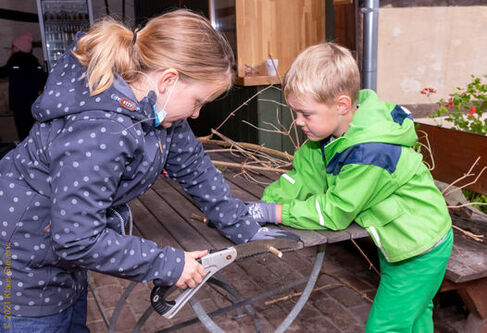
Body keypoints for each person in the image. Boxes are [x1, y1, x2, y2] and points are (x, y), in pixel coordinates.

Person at [0, 10, 295, 332]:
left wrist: (242, 226)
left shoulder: (159, 110)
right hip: (23, 261)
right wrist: (166, 264)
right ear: (168, 80)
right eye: (197, 101)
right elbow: (77, 238)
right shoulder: (101, 131)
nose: (196, 114)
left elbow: (195, 168)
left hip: (58, 254)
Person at [246, 42, 453, 332]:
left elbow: (335, 213)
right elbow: (302, 177)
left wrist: (275, 213)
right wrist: (262, 206)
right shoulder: (330, 138)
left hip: (420, 247)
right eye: (295, 112)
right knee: (415, 316)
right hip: (401, 238)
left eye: (306, 113)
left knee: (385, 327)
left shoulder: (370, 153)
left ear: (342, 105)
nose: (297, 121)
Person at [0, 32, 46, 141]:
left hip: (18, 102)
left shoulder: (15, 59)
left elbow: (3, 73)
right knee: (30, 128)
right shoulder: (34, 62)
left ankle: (24, 153)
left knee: (22, 130)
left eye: (13, 46)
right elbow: (42, 81)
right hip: (31, 101)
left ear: (19, 48)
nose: (12, 49)